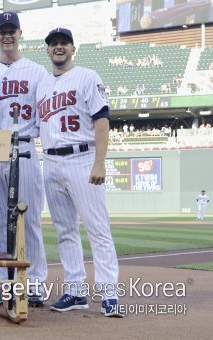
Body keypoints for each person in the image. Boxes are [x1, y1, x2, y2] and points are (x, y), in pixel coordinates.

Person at [36, 28, 123, 317]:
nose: (58, 47)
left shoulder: (88, 76)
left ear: (73, 48)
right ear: (47, 50)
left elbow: (101, 121)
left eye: (64, 43)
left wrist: (99, 162)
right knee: (65, 231)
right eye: (54, 44)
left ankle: (110, 293)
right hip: (50, 160)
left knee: (97, 228)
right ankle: (75, 291)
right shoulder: (42, 84)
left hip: (82, 157)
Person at [0, 12, 47, 307]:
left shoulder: (37, 71)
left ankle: (34, 283)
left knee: (29, 219)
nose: (7, 35)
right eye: (2, 31)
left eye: (11, 30)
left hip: (24, 146)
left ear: (20, 33)